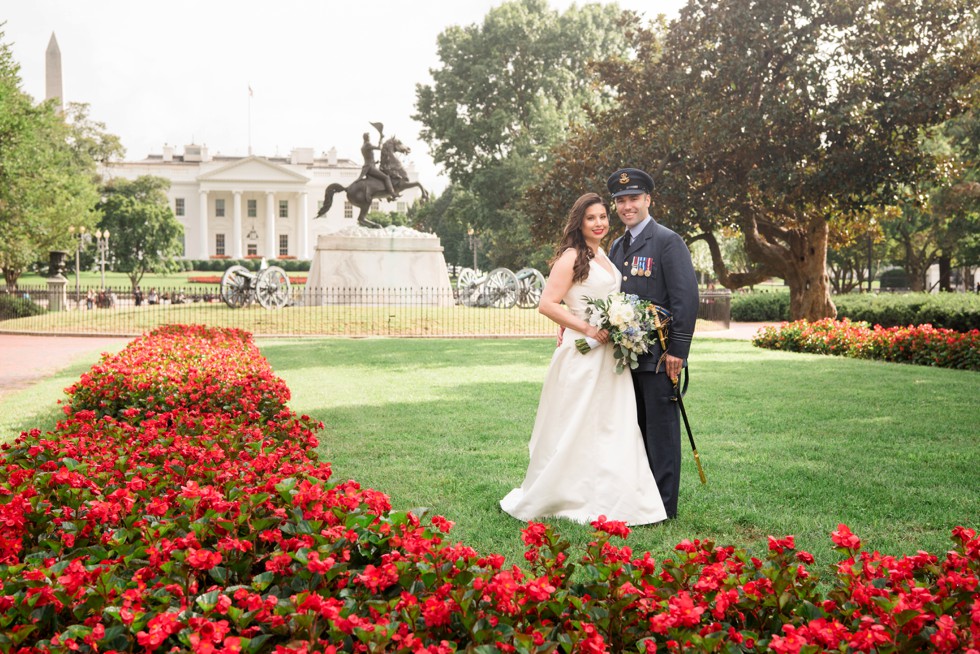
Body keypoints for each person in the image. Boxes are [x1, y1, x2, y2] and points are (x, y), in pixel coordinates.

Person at [499, 192, 668, 526]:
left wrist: (621, 322)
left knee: (611, 423)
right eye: (592, 218)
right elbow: (548, 303)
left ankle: (616, 496)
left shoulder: (604, 254)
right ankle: (565, 492)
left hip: (610, 353)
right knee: (576, 423)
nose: (600, 223)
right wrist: (585, 327)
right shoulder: (571, 257)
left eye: (603, 216)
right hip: (583, 352)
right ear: (580, 222)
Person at [607, 167, 699, 519]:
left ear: (648, 199)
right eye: (621, 200)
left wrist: (678, 350)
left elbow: (685, 299)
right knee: (633, 428)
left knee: (661, 432)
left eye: (633, 198)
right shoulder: (618, 245)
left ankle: (663, 506)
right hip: (626, 357)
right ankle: (638, 500)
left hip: (660, 356)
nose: (627, 206)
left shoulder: (667, 241)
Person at [359, 132, 397, 201]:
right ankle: (392, 194)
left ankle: (386, 196)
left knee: (380, 178)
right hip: (370, 167)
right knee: (386, 177)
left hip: (367, 167)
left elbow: (368, 158)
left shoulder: (362, 147)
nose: (370, 137)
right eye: (369, 136)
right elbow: (379, 147)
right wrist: (381, 138)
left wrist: (374, 162)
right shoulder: (368, 144)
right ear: (367, 137)